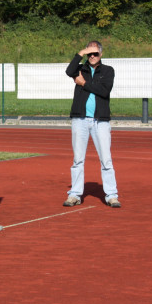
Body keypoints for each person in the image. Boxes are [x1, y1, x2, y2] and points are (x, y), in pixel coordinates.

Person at [63, 41, 120, 208]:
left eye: (95, 53)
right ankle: (75, 194)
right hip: (80, 119)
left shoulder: (108, 70)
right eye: (90, 53)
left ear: (101, 54)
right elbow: (69, 71)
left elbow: (104, 91)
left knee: (106, 160)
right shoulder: (81, 69)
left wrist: (84, 84)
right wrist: (81, 52)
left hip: (100, 121)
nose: (92, 56)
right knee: (78, 160)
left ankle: (111, 195)